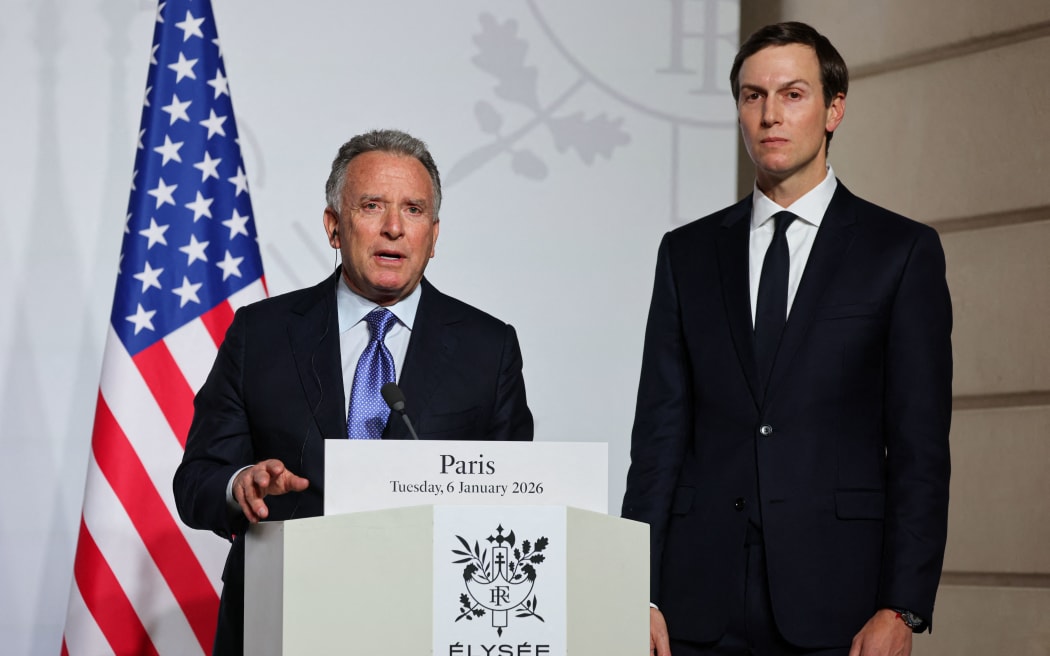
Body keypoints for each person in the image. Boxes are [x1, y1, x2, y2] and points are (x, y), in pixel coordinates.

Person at [622, 22, 951, 656]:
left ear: (834, 109)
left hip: (840, 603)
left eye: (793, 94)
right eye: (753, 96)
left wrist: (902, 606)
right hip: (696, 601)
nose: (770, 114)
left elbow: (919, 448)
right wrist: (638, 588)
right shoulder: (687, 253)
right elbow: (658, 436)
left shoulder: (900, 252)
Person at [174, 129, 534, 655]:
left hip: (427, 627)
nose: (393, 228)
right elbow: (197, 480)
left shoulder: (489, 348)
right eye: (372, 206)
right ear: (334, 226)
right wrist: (240, 485)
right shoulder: (261, 334)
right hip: (281, 621)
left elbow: (515, 501)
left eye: (413, 210)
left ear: (433, 236)